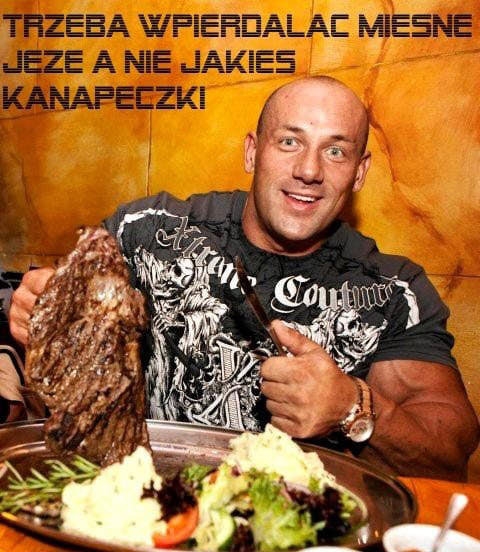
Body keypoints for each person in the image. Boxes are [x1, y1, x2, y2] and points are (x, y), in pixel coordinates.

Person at [8, 76, 479, 480]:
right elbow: (62, 316)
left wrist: (352, 407)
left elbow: (449, 451)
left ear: (359, 172)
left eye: (336, 151)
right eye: (289, 141)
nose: (309, 170)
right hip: (138, 503)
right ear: (253, 152)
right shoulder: (146, 231)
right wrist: (43, 310)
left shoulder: (392, 290)